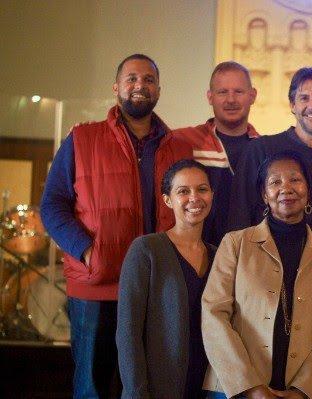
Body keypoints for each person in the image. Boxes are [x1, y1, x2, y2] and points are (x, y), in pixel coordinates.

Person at [40, 54, 191, 398]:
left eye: (149, 80)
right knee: (92, 385)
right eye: (132, 79)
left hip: (156, 286)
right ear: (117, 88)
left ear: (158, 89)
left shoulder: (178, 146)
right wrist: (86, 250)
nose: (141, 86)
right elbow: (52, 205)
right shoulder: (82, 139)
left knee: (142, 386)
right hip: (97, 287)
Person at [202, 151, 312, 398]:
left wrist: (303, 390)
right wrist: (251, 388)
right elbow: (214, 315)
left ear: (308, 189)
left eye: (295, 180)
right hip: (233, 389)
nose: (286, 188)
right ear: (264, 194)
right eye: (275, 182)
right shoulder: (235, 244)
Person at [117, 159, 215, 398]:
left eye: (202, 189)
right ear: (167, 199)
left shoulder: (221, 255)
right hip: (157, 390)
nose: (194, 198)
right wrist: (136, 394)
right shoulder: (146, 250)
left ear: (212, 194)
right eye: (183, 191)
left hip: (210, 387)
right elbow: (128, 333)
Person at [227, 67, 312, 236]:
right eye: (304, 98)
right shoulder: (260, 150)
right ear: (293, 105)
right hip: (258, 258)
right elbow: (238, 217)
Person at [173, 61, 260, 246]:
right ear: (210, 97)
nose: (231, 100)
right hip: (195, 256)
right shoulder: (183, 141)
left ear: (252, 95)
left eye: (238, 91)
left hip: (248, 258)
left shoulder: (264, 150)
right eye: (222, 92)